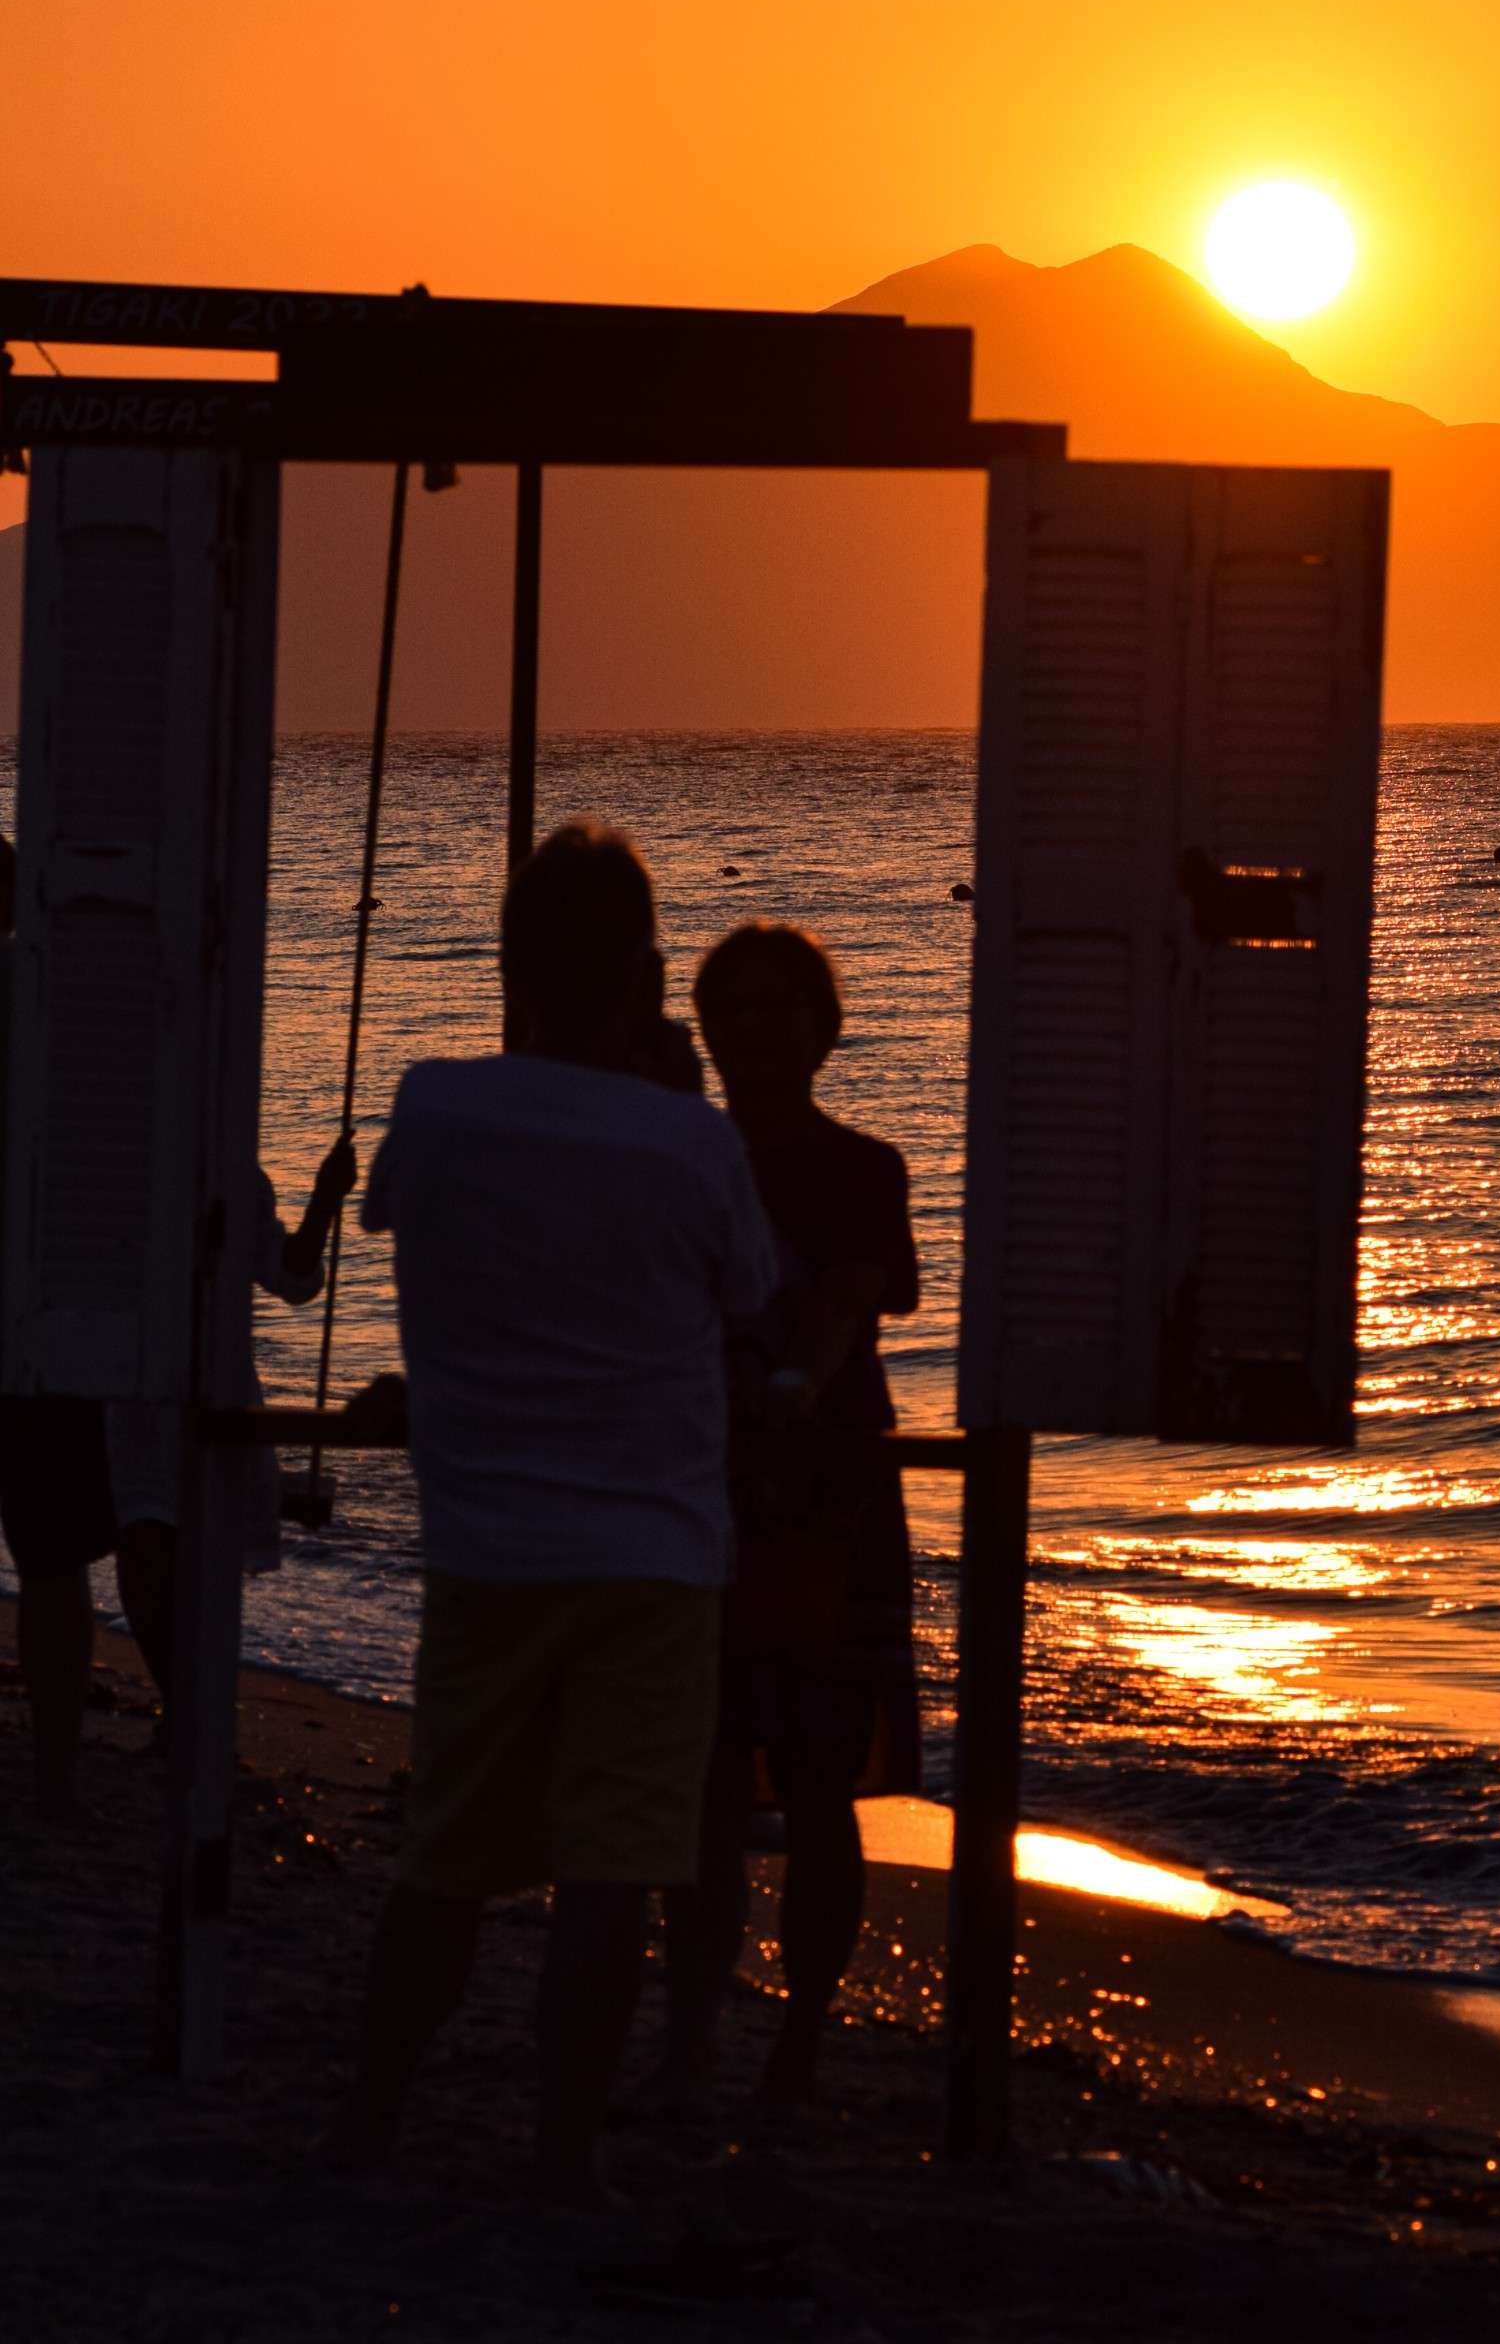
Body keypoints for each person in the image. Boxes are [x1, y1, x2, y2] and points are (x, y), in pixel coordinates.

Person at [333, 825, 780, 2202]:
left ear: (513, 970)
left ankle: (372, 2121)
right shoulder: (693, 1148)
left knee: (449, 1858)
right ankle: (560, 2158)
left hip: (487, 1546)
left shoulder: (435, 1107)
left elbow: (386, 1220)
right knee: (612, 1874)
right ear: (645, 980)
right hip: (652, 1555)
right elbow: (755, 1309)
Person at [657, 923, 921, 2116]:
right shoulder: (674, 1154)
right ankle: (691, 2035)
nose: (754, 1031)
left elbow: (850, 1303)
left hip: (828, 1499)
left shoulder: (863, 1167)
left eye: (778, 1009)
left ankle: (800, 2039)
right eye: (733, 1009)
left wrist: (788, 1387)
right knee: (701, 1776)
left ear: (824, 1027)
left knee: (819, 1781)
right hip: (695, 1491)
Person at [109, 1136, 357, 1715]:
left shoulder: (234, 1177)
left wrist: (324, 1197)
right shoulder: (128, 1168)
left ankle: (192, 1713)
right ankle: (187, 1708)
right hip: (139, 1391)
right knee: (146, 1556)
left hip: (214, 1384)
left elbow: (292, 1277)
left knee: (195, 1559)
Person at [0, 829, 122, 1802]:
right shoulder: (54, 1008)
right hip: (44, 1303)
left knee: (48, 1550)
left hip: (42, 1300)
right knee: (49, 1551)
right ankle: (52, 1765)